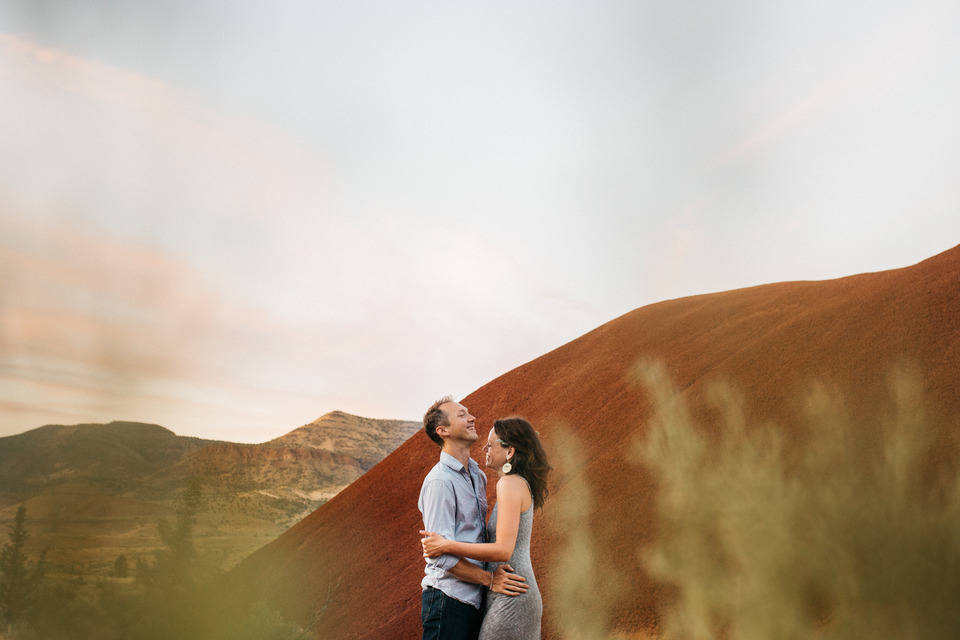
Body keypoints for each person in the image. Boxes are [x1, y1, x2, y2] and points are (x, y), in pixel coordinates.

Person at [421, 416, 552, 640]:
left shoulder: (509, 483)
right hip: (510, 589)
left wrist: (445, 545)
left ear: (509, 452)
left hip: (511, 592)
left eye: (490, 444)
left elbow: (503, 550)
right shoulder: (515, 483)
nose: (485, 448)